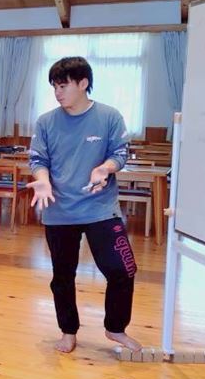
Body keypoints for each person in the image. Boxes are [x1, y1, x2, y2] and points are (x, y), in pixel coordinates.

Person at [27, 56, 142, 354]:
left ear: (83, 83)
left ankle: (115, 327)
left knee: (123, 269)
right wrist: (42, 180)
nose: (58, 92)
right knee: (62, 276)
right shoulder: (46, 122)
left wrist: (105, 169)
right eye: (54, 86)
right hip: (59, 211)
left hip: (101, 209)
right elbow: (38, 159)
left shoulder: (109, 116)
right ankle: (68, 331)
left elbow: (120, 153)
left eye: (63, 86)